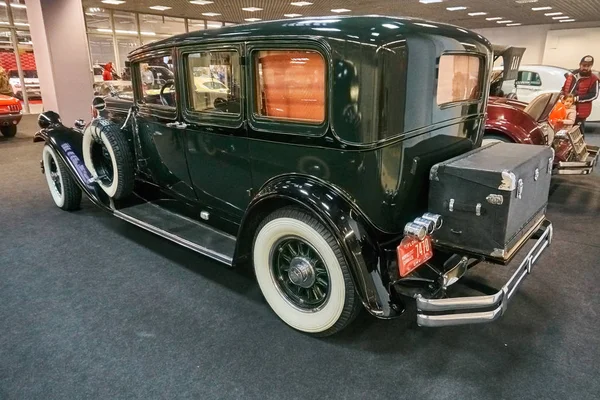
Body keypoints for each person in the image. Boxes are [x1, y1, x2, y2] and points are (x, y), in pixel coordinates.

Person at [561, 55, 599, 134]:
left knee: (578, 133)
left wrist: (576, 99)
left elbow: (594, 95)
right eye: (584, 65)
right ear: (580, 64)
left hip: (580, 112)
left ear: (591, 66)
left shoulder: (594, 79)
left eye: (588, 66)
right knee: (564, 131)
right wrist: (561, 96)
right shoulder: (571, 76)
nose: (586, 68)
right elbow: (564, 89)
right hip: (566, 109)